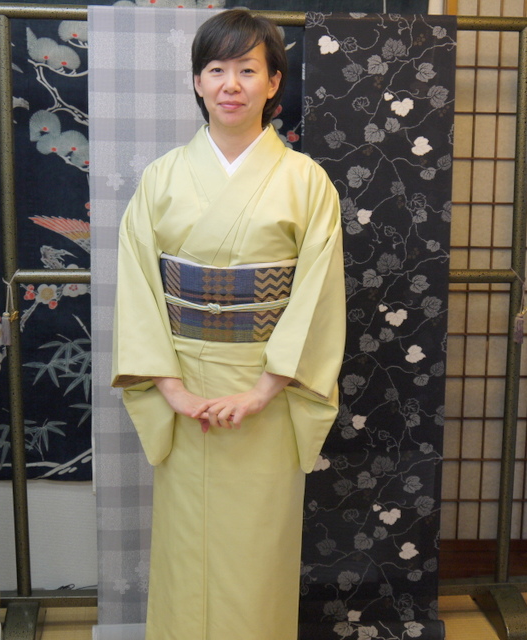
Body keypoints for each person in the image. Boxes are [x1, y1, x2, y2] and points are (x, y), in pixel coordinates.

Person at [112, 9, 345, 640]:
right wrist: (172, 389)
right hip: (184, 389)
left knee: (256, 551)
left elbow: (317, 298)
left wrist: (263, 391)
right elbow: (138, 289)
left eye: (248, 69)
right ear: (197, 81)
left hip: (266, 392)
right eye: (216, 69)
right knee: (186, 550)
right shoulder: (161, 179)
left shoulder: (306, 183)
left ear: (274, 82)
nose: (231, 85)